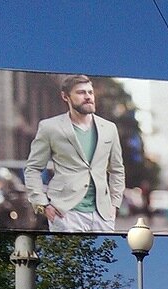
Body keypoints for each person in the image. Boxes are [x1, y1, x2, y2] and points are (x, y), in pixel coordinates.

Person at [24, 74, 125, 233]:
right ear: (65, 97)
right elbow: (33, 169)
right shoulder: (50, 127)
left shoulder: (109, 128)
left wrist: (114, 205)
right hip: (66, 213)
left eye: (90, 92)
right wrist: (42, 204)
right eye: (81, 92)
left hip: (103, 214)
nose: (88, 97)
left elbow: (117, 170)